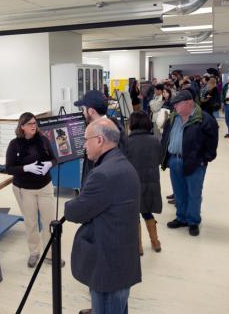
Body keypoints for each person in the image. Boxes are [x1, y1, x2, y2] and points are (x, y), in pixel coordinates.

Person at [65, 118, 141, 314]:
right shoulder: (122, 163)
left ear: (99, 140)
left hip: (109, 264)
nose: (84, 145)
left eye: (86, 139)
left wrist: (68, 205)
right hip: (122, 258)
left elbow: (76, 211)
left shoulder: (103, 174)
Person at [161, 90, 219, 236]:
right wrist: (166, 157)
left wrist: (203, 159)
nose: (174, 107)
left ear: (189, 103)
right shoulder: (173, 118)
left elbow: (212, 145)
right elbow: (166, 136)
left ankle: (193, 221)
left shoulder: (204, 120)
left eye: (177, 104)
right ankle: (181, 217)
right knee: (179, 191)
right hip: (174, 160)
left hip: (195, 162)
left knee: (194, 193)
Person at [5, 112, 59, 268]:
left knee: (49, 222)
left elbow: (54, 159)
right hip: (25, 189)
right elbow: (9, 168)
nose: (33, 126)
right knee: (31, 222)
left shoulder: (43, 140)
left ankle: (50, 255)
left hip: (45, 187)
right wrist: (26, 168)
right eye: (29, 124)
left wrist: (50, 164)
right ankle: (34, 252)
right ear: (22, 127)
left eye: (35, 123)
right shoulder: (14, 144)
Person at [74, 90, 128, 185]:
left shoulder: (114, 134)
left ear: (91, 111)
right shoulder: (99, 130)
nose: (83, 113)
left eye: (83, 109)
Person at [127, 111, 163, 254]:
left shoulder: (127, 142)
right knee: (147, 212)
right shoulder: (155, 140)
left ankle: (138, 246)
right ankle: (155, 242)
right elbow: (159, 159)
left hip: (132, 183)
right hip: (151, 182)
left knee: (134, 214)